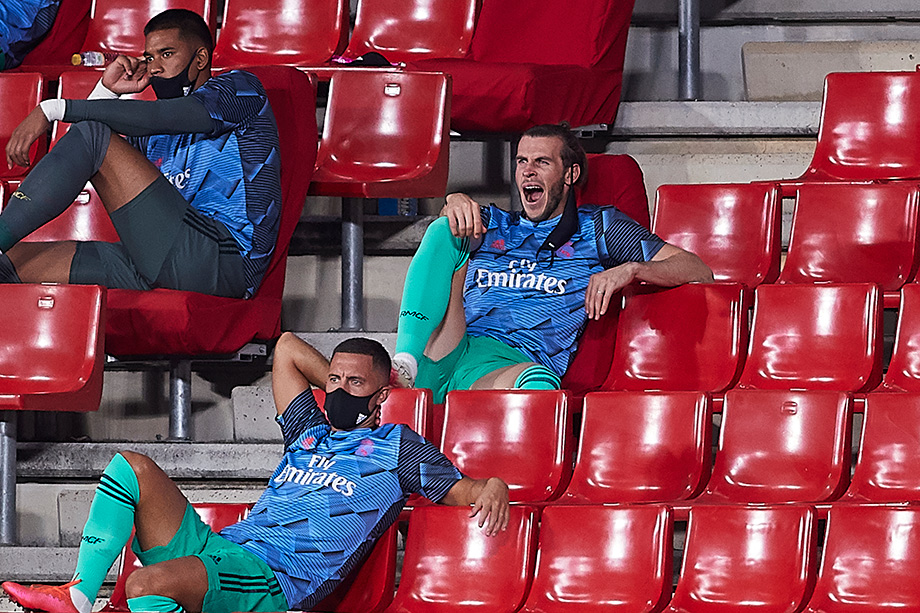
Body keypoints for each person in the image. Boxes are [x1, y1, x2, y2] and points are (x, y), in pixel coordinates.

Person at [2, 333, 510, 613]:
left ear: (382, 396)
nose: (336, 389)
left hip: (271, 580)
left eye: (354, 383)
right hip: (223, 548)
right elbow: (286, 348)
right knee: (129, 466)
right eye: (333, 379)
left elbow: (461, 489)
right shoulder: (309, 431)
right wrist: (341, 383)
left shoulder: (396, 447)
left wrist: (494, 485)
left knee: (143, 587)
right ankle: (77, 596)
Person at [391, 123, 714, 402]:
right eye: (522, 161)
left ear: (570, 174)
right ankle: (406, 361)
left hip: (506, 365)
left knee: (539, 385)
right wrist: (454, 202)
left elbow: (697, 269)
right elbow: (446, 237)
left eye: (542, 162)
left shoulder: (599, 227)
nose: (528, 171)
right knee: (444, 229)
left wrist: (632, 269)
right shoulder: (494, 222)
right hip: (449, 347)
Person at [0, 8, 281, 299]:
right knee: (10, 265)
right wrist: (106, 90)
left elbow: (162, 117)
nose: (155, 68)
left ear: (200, 59)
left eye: (166, 54)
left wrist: (54, 109)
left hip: (224, 262)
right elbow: (75, 158)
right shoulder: (146, 133)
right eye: (149, 58)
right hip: (161, 257)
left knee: (95, 136)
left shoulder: (240, 90)